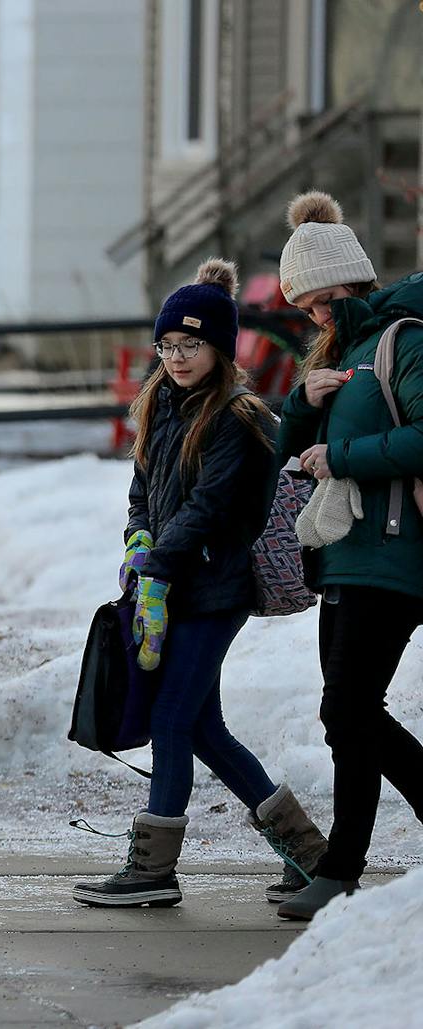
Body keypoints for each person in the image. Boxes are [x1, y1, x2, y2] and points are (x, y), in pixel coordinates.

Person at [74, 258, 329, 908]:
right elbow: (144, 492)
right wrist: (138, 541)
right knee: (205, 727)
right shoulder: (159, 403)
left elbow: (208, 508)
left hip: (216, 589)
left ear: (220, 347)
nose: (178, 357)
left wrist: (157, 564)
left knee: (171, 719)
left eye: (192, 345)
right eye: (168, 345)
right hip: (169, 585)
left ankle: (154, 869)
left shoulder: (235, 418)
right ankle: (311, 854)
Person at [274, 191, 423, 921]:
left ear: (349, 285)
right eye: (304, 309)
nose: (313, 319)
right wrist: (304, 401)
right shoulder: (343, 352)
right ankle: (341, 868)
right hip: (345, 557)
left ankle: (340, 866)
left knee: (350, 705)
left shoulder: (404, 338)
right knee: (347, 715)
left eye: (320, 303)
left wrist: (342, 454)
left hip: (395, 553)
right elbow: (286, 453)